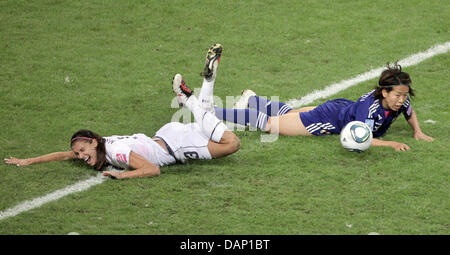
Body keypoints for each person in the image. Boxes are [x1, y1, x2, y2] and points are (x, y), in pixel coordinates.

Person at [4, 44, 240, 179]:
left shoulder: (115, 152)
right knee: (212, 125)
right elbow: (63, 154)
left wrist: (121, 175)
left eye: (82, 151)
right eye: (79, 154)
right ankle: (206, 84)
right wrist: (29, 161)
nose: (81, 157)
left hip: (175, 144)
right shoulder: (102, 146)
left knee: (232, 144)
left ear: (94, 143)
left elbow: (152, 169)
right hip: (168, 137)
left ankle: (188, 99)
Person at [215, 63, 433, 151]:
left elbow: (409, 112)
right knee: (272, 125)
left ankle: (252, 100)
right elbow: (364, 138)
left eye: (404, 95)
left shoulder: (399, 100)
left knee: (290, 114)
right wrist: (391, 144)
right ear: (385, 92)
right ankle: (214, 112)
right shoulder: (369, 111)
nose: (401, 100)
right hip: (330, 118)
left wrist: (418, 131)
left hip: (340, 107)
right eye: (398, 95)